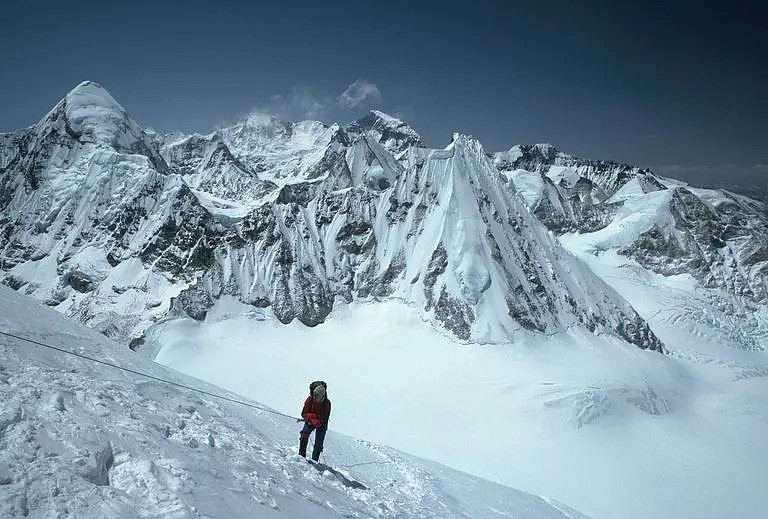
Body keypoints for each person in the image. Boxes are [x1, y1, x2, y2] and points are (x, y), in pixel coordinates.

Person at [299, 380, 331, 461]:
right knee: (304, 434)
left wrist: (318, 421)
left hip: (321, 423)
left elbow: (325, 418)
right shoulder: (309, 400)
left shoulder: (327, 403)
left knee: (319, 443)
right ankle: (301, 456)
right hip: (311, 420)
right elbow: (303, 414)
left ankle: (315, 460)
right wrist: (313, 418)